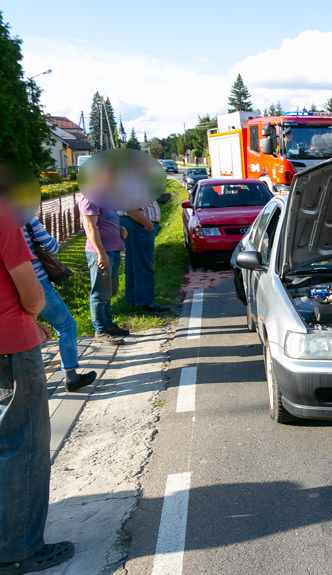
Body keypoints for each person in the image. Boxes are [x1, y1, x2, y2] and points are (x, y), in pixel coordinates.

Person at [1, 179, 75, 572]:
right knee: (22, 446)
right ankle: (18, 550)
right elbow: (32, 296)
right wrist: (29, 320)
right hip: (10, 346)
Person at [23, 218, 97, 392]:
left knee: (22, 333)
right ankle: (71, 377)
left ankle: (22, 386)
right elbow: (52, 247)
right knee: (66, 325)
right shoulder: (24, 216)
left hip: (10, 289)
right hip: (37, 283)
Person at [79, 194, 129, 345]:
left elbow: (107, 222)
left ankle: (108, 325)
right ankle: (100, 331)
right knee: (99, 293)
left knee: (109, 291)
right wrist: (101, 253)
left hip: (113, 250)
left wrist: (121, 230)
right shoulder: (90, 198)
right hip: (101, 253)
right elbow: (90, 226)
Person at [118, 201, 168, 312]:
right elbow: (132, 210)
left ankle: (134, 300)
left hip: (135, 224)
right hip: (138, 225)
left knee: (134, 262)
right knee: (143, 264)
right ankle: (146, 302)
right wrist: (148, 225)